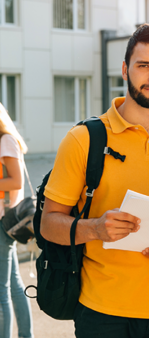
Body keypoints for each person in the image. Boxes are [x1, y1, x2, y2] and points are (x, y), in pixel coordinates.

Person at [41, 23, 149, 338]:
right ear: (124, 69)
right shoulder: (82, 139)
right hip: (101, 313)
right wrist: (96, 228)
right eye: (144, 66)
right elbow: (50, 224)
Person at [0, 103, 34, 338]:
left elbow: (16, 182)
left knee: (1, 291)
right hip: (4, 221)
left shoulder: (5, 141)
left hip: (3, 222)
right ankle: (26, 335)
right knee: (11, 284)